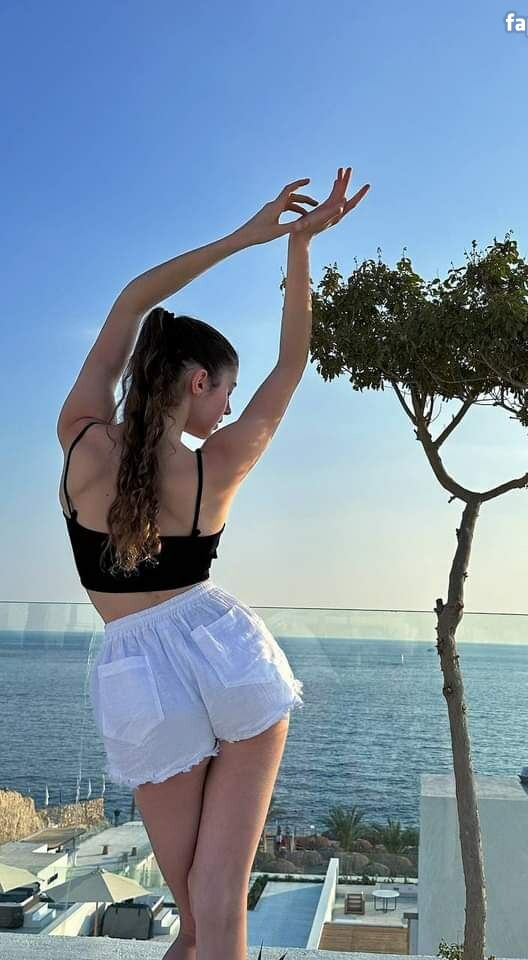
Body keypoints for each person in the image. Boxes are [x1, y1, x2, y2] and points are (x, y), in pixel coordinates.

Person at [56, 167, 370, 960]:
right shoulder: (214, 467)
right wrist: (297, 248)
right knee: (221, 906)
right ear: (198, 381)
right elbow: (292, 363)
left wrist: (244, 237)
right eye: (224, 390)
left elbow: (131, 302)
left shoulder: (82, 438)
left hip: (135, 677)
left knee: (196, 921)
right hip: (225, 650)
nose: (228, 406)